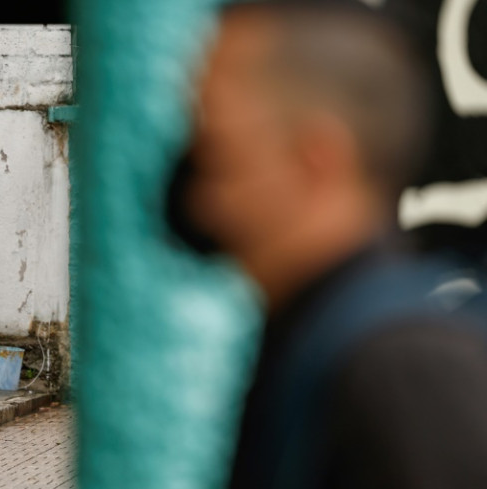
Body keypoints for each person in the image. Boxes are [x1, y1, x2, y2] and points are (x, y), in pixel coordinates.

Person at [165, 1, 487, 488]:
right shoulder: (320, 333)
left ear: (317, 158)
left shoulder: (402, 369)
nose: (196, 193)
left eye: (215, 149)